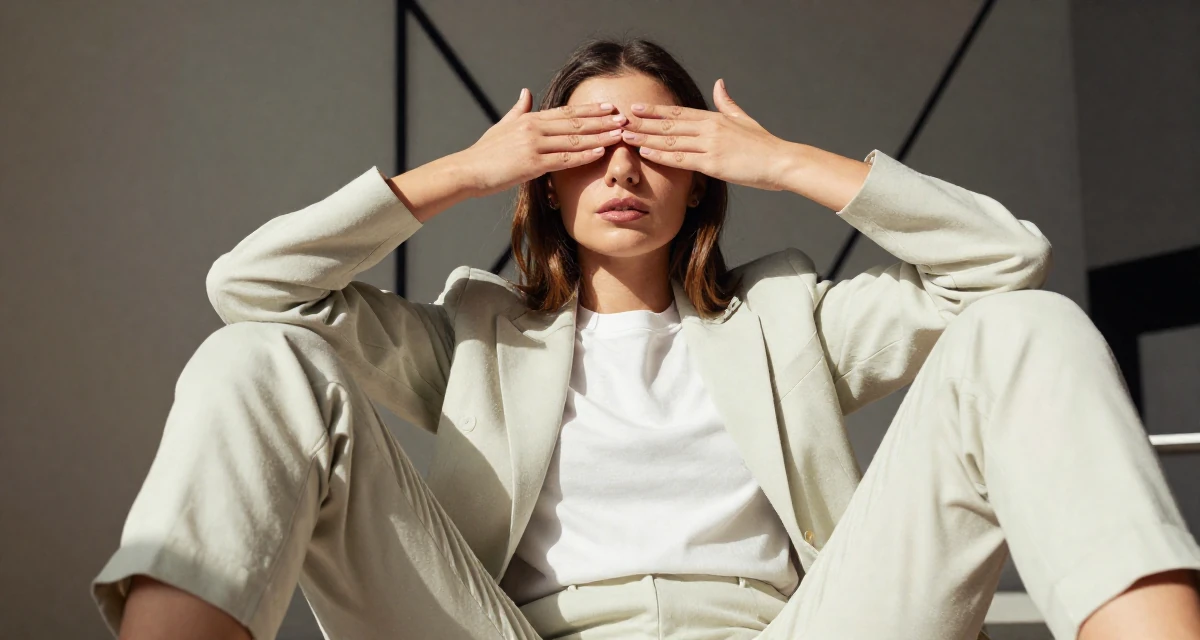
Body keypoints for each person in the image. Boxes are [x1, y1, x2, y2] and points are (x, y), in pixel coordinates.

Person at [92, 37, 1200, 640]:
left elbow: (1004, 263)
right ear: (543, 176)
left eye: (660, 141)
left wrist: (782, 159)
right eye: (586, 141)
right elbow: (252, 289)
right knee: (253, 360)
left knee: (1029, 329)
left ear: (703, 176)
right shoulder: (477, 339)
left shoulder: (792, 324)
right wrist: (469, 169)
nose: (622, 167)